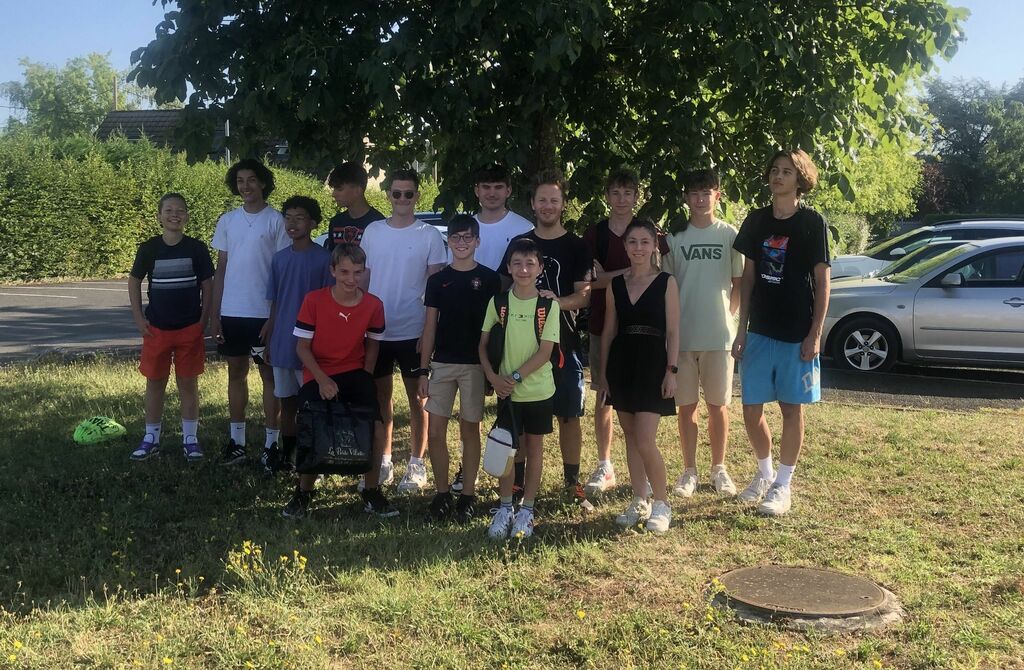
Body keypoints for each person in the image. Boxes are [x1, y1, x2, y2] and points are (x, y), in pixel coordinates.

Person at [732, 149, 831, 516]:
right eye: (774, 170)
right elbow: (747, 279)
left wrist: (815, 333)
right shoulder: (756, 220)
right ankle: (764, 474)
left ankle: (783, 485)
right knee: (750, 409)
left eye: (787, 171)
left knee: (791, 408)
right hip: (759, 330)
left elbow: (823, 283)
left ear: (800, 179)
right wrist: (741, 329)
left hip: (796, 332)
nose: (778, 176)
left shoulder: (812, 223)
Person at [501, 170, 592, 508]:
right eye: (542, 200)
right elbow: (503, 290)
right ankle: (517, 484)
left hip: (564, 345)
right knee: (522, 418)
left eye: (554, 199)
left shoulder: (577, 246)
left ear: (563, 204)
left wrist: (556, 302)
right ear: (533, 203)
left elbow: (585, 296)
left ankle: (572, 484)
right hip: (522, 348)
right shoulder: (520, 243)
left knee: (569, 415)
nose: (548, 205)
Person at [283, 243, 395, 519]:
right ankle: (304, 492)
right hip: (318, 373)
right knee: (312, 425)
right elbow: (302, 348)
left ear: (364, 272)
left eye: (357, 272)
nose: (351, 278)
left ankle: (371, 491)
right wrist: (322, 380)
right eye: (344, 272)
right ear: (332, 271)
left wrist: (366, 375)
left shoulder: (373, 304)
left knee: (376, 428)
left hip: (355, 372)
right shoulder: (313, 300)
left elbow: (373, 344)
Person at [581, 169, 671, 498]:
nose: (621, 199)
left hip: (647, 333)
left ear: (636, 196)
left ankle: (649, 488)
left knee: (641, 415)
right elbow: (592, 282)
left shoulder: (650, 232)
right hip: (605, 325)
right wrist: (630, 272)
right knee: (604, 394)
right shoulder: (595, 234)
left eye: (628, 193)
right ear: (607, 196)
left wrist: (615, 275)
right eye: (615, 193)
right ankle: (605, 463)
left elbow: (658, 274)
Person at [360, 168, 447, 493]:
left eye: (408, 194)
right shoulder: (373, 231)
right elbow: (363, 279)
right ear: (388, 196)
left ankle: (416, 463)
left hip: (414, 329)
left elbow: (436, 287)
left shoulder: (429, 235)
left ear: (417, 196)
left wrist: (430, 330)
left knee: (418, 398)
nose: (402, 199)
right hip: (377, 331)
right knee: (380, 397)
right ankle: (383, 460)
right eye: (396, 193)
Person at [664, 169, 744, 498]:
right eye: (694, 193)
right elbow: (667, 287)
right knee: (686, 407)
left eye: (706, 193)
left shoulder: (730, 235)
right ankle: (689, 471)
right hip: (682, 338)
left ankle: (719, 468)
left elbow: (739, 285)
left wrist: (729, 320)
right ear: (686, 198)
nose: (700, 199)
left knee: (718, 406)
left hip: (718, 337)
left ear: (717, 196)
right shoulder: (674, 238)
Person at [418, 214, 501, 522]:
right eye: (456, 237)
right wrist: (422, 370)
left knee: (470, 430)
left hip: (475, 365)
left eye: (468, 237)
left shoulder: (490, 279)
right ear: (448, 242)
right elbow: (429, 327)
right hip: (442, 363)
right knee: (435, 431)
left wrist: (492, 370)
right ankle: (441, 493)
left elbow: (496, 329)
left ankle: (467, 495)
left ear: (477, 241)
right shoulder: (437, 280)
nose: (462, 243)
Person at [598, 220, 679, 533]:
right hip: (622, 364)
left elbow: (673, 331)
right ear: (625, 246)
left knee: (645, 440)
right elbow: (608, 332)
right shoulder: (616, 284)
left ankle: (662, 503)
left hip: (653, 364)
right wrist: (603, 374)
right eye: (632, 242)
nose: (638, 248)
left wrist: (671, 370)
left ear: (654, 246)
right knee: (631, 437)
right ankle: (639, 499)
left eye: (645, 242)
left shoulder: (666, 282)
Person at [210, 158, 290, 466]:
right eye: (240, 181)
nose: (246, 186)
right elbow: (221, 269)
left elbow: (281, 273)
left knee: (269, 376)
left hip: (262, 313)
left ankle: (271, 445)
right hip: (232, 312)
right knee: (236, 373)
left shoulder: (276, 220)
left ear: (263, 183)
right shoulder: (227, 220)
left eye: (252, 180)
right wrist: (215, 314)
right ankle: (237, 442)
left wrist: (274, 316)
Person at [480, 238, 560, 539]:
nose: (523, 269)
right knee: (506, 449)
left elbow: (545, 352)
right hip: (505, 392)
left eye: (530, 264)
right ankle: (504, 507)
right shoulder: (498, 302)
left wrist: (513, 377)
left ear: (539, 269)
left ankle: (527, 509)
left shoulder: (548, 305)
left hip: (538, 391)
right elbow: (482, 345)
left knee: (535, 449)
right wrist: (493, 377)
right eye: (517, 263)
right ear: (509, 267)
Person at [127, 193, 214, 461]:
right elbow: (134, 280)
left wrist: (204, 319)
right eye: (168, 210)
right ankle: (151, 438)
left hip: (189, 328)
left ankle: (190, 439)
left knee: (188, 383)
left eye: (180, 211)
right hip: (157, 329)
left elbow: (207, 285)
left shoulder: (197, 248)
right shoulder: (149, 248)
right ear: (159, 216)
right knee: (155, 383)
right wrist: (138, 317)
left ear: (186, 216)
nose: (174, 215)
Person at [264, 196, 333, 474]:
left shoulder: (324, 260)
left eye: (300, 218)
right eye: (288, 217)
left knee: (313, 403)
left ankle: (316, 454)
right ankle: (289, 454)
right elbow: (276, 302)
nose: (292, 223)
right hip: (283, 343)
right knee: (287, 402)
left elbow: (329, 305)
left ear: (313, 223)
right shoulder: (279, 259)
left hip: (312, 347)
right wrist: (271, 337)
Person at [473, 164, 534, 271]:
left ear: (508, 191)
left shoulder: (525, 229)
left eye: (498, 187)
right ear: (477, 191)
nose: (492, 193)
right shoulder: (463, 230)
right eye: (486, 187)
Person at [324, 162, 385, 249]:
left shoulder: (379, 223)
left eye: (339, 189)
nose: (333, 194)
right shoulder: (336, 222)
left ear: (358, 190)